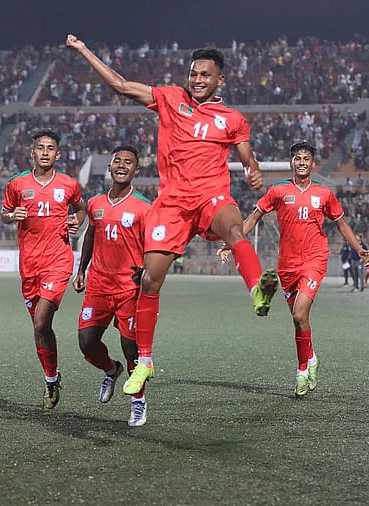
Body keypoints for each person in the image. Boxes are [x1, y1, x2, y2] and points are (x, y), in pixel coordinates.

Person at [66, 35, 278, 399]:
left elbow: (247, 156)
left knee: (234, 228)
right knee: (149, 281)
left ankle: (257, 287)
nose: (196, 79)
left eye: (205, 75)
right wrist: (85, 50)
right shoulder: (169, 98)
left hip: (211, 196)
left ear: (219, 80)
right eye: (193, 73)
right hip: (173, 204)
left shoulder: (233, 120)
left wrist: (253, 170)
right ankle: (144, 360)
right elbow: (119, 85)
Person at [218, 141, 369, 397]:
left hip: (314, 259)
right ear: (292, 163)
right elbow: (254, 217)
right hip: (287, 266)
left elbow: (341, 224)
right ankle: (311, 357)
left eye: (306, 158)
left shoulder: (324, 194)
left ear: (313, 164)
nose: (302, 162)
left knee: (300, 315)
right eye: (298, 158)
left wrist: (359, 249)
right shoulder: (278, 191)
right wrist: (231, 243)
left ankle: (302, 372)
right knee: (298, 320)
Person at [1, 128, 85, 410]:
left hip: (58, 261)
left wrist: (77, 222)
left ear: (58, 154)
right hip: (30, 266)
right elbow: (4, 214)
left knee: (41, 321)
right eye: (41, 147)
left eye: (51, 148)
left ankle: (51, 377)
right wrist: (12, 216)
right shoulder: (16, 184)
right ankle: (51, 378)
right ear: (32, 152)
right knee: (40, 328)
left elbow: (81, 209)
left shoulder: (68, 184)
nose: (46, 152)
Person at [72, 145, 153, 426]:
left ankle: (138, 403)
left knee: (132, 349)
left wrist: (147, 272)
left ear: (136, 170)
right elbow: (90, 236)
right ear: (109, 167)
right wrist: (81, 269)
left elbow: (154, 246)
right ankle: (111, 369)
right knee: (86, 343)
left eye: (128, 162)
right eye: (117, 160)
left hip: (129, 290)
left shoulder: (144, 207)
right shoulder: (95, 203)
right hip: (97, 285)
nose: (121, 165)